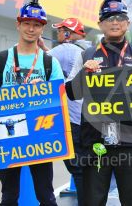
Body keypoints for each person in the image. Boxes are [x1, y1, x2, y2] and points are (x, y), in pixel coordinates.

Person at [0, 0, 64, 205]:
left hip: (41, 132)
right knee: (9, 196)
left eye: (36, 25)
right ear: (18, 24)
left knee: (46, 196)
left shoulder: (49, 62)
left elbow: (60, 98)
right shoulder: (1, 58)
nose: (31, 29)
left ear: (42, 28)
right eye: (27, 23)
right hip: (9, 134)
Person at [65, 0, 132, 206]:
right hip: (95, 143)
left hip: (131, 142)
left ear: (128, 23)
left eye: (120, 18)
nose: (115, 22)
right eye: (109, 18)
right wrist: (84, 73)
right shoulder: (86, 55)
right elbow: (71, 94)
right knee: (93, 201)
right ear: (100, 24)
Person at [38, 17, 90, 206]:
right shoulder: (85, 49)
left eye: (61, 30)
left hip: (70, 118)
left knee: (77, 168)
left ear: (68, 33)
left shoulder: (65, 49)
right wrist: (45, 48)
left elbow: (40, 62)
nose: (58, 34)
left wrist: (38, 47)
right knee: (84, 168)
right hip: (84, 116)